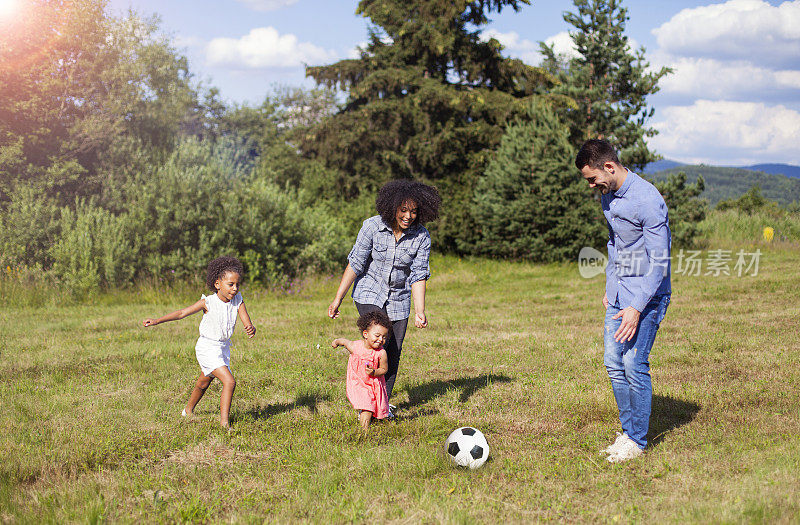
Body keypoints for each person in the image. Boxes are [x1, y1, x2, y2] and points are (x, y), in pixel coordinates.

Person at [575, 139, 671, 463]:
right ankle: (628, 433)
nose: (591, 185)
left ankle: (638, 442)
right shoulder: (608, 197)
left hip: (649, 295)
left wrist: (635, 307)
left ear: (610, 167)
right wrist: (610, 285)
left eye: (593, 178)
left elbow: (659, 264)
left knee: (633, 363)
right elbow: (616, 244)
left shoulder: (648, 200)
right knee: (613, 363)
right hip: (619, 292)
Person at [328, 179, 441, 418]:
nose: (408, 216)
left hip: (399, 299)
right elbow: (355, 264)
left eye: (413, 211)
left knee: (392, 351)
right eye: (403, 210)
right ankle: (362, 394)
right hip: (369, 291)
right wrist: (338, 298)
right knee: (379, 337)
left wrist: (420, 310)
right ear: (392, 207)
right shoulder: (371, 227)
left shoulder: (422, 236)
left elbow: (419, 275)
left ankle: (381, 405)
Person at [143, 256, 256, 428]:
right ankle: (225, 423)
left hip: (223, 349)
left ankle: (187, 411)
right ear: (218, 284)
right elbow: (181, 313)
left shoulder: (238, 300)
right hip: (207, 348)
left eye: (237, 284)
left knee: (204, 382)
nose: (235, 288)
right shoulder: (208, 302)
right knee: (229, 382)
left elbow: (245, 318)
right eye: (230, 284)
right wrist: (157, 320)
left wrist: (249, 327)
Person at [332, 310, 392, 430]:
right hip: (358, 382)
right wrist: (337, 342)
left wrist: (375, 372)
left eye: (384, 337)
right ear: (365, 334)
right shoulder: (355, 347)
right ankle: (364, 430)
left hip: (373, 384)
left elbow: (384, 369)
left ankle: (380, 421)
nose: (381, 339)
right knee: (367, 406)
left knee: (375, 406)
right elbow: (345, 342)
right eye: (377, 336)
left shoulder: (381, 353)